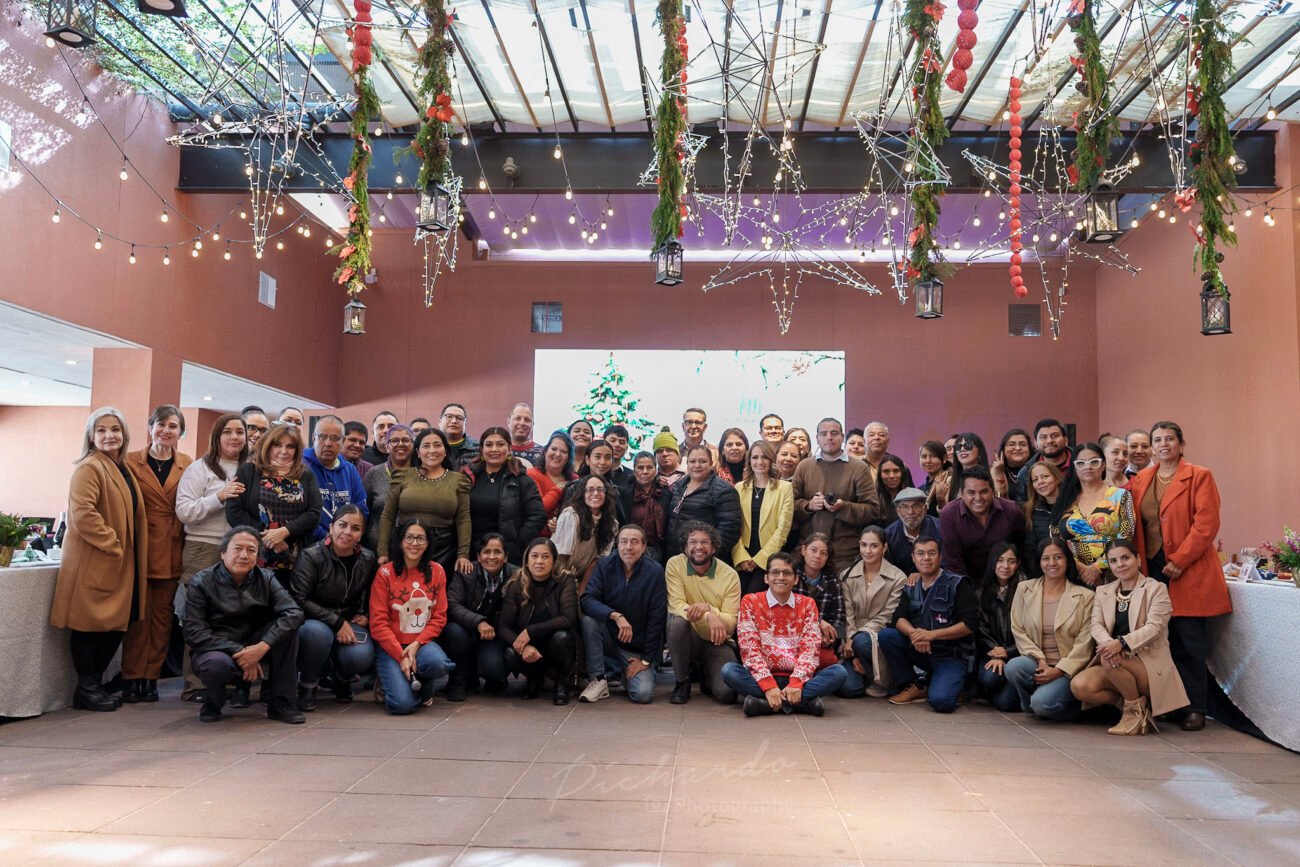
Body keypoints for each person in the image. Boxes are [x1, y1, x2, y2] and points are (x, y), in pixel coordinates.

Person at [1129, 420, 1228, 732]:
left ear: (1181, 444)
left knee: (1188, 641)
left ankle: (1196, 707)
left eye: (1169, 439)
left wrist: (1180, 560)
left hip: (1188, 569)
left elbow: (1206, 525)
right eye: (1157, 439)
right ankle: (1170, 704)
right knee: (1159, 641)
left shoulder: (1199, 476)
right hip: (1153, 569)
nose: (1163, 444)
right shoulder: (1141, 479)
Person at [50, 407, 149, 712]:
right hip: (97, 559)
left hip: (121, 562)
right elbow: (83, 515)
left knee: (116, 625)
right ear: (91, 436)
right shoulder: (89, 467)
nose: (110, 435)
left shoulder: (122, 467)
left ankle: (94, 685)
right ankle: (87, 688)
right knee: (88, 626)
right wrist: (114, 543)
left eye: (115, 429)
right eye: (102, 430)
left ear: (124, 435)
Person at [184, 526, 305, 724]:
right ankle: (214, 701)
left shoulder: (265, 578)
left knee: (289, 631)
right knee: (215, 665)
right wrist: (242, 651)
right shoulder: (201, 582)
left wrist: (262, 647)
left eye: (251, 550)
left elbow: (294, 613)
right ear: (223, 553)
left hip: (256, 642)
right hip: (217, 648)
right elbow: (194, 633)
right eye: (237, 548)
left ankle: (282, 704)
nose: (243, 555)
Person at [1071, 538, 1189, 735]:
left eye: (1125, 558)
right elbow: (1096, 625)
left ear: (1138, 559)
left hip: (1148, 665)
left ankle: (1132, 718)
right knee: (1080, 686)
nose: (1120, 565)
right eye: (1114, 561)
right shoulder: (1103, 591)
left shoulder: (1156, 588)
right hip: (1116, 659)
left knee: (1108, 660)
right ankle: (1136, 707)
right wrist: (1110, 644)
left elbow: (1155, 627)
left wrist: (1122, 643)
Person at [121, 405, 193, 703]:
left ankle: (151, 678)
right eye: (161, 424)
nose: (166, 430)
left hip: (172, 547)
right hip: (138, 548)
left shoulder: (188, 464)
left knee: (163, 619)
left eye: (173, 426)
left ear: (180, 433)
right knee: (137, 618)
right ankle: (131, 676)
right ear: (150, 427)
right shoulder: (129, 461)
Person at [175, 413, 248, 701]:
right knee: (198, 617)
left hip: (239, 551)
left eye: (239, 432)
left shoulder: (250, 468)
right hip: (203, 548)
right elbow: (185, 512)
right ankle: (196, 684)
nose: (234, 437)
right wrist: (220, 497)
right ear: (216, 437)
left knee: (234, 616)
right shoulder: (199, 469)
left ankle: (228, 680)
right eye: (228, 432)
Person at [722, 553, 848, 717]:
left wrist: (796, 683)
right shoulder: (750, 602)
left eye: (787, 573)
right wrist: (768, 685)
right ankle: (801, 704)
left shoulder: (807, 604)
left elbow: (810, 650)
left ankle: (764, 704)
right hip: (761, 676)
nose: (781, 577)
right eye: (775, 572)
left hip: (798, 678)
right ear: (766, 578)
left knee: (839, 672)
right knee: (729, 670)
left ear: (795, 579)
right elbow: (749, 649)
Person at [290, 506, 378, 710]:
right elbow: (299, 598)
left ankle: (342, 678)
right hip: (315, 620)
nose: (348, 532)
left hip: (349, 620)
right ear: (331, 527)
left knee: (361, 656)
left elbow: (373, 593)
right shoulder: (311, 556)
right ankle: (308, 685)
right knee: (315, 634)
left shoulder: (368, 558)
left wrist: (366, 615)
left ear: (361, 534)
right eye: (342, 525)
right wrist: (336, 622)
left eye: (355, 528)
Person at [878, 536, 977, 713]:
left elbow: (969, 625)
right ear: (913, 557)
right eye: (920, 553)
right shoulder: (911, 585)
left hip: (950, 655)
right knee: (887, 635)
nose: (926, 558)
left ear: (940, 557)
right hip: (921, 650)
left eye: (931, 553)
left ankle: (953, 685)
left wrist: (932, 635)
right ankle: (915, 685)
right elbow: (898, 619)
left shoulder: (958, 584)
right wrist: (915, 634)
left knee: (942, 702)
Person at [368, 518, 455, 713]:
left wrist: (417, 645)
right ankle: (391, 682)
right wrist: (401, 656)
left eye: (420, 539)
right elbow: (378, 623)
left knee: (438, 663)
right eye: (409, 538)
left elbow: (439, 617)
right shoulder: (385, 573)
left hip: (421, 644)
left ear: (428, 544)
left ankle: (421, 685)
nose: (414, 543)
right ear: (400, 541)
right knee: (401, 705)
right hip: (391, 646)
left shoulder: (437, 571)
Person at [1005, 538, 1095, 721]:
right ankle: (1032, 704)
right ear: (1039, 562)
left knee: (1042, 704)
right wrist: (1041, 662)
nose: (1052, 563)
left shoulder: (1086, 597)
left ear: (1068, 561)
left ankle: (1069, 707)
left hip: (1068, 668)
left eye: (1058, 557)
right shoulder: (1024, 589)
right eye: (1046, 558)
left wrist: (1059, 670)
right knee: (1014, 666)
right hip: (1038, 663)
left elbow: (1084, 643)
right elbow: (1018, 629)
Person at [579, 525, 667, 704]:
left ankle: (625, 672)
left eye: (635, 542)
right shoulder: (604, 566)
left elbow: (657, 619)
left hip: (636, 649)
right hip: (610, 637)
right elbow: (587, 600)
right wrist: (615, 616)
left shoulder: (655, 572)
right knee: (590, 621)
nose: (628, 547)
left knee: (642, 694)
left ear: (643, 547)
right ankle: (598, 679)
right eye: (624, 542)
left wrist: (645, 661)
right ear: (617, 545)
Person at [226, 423, 322, 586]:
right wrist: (269, 537)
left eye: (290, 446)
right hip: (254, 552)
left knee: (291, 606)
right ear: (268, 445)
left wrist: (285, 532)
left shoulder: (306, 475)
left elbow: (314, 513)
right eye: (277, 445)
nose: (283, 451)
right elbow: (234, 512)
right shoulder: (248, 471)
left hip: (295, 555)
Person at [791, 418, 882, 575]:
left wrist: (843, 507)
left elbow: (872, 510)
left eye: (834, 433)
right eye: (823, 434)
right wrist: (808, 505)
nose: (829, 438)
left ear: (842, 436)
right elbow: (788, 507)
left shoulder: (859, 468)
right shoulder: (804, 466)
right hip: (808, 552)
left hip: (845, 555)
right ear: (817, 438)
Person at [377, 428, 472, 578]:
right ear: (418, 452)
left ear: (446, 451)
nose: (432, 450)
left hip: (443, 549)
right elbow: (388, 515)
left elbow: (463, 519)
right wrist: (382, 552)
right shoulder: (402, 475)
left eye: (437, 445)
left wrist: (463, 554)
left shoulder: (459, 480)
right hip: (405, 545)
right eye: (426, 446)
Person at [666, 522, 741, 704]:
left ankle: (706, 671)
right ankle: (682, 682)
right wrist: (708, 615)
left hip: (717, 640)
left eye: (705, 542)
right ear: (685, 547)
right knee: (676, 623)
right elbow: (676, 605)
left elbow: (731, 622)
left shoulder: (729, 575)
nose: (698, 547)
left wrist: (710, 609)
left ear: (713, 547)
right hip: (688, 637)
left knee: (727, 694)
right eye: (693, 542)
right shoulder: (675, 565)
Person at [498, 537, 579, 705]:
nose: (539, 561)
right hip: (531, 648)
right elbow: (504, 627)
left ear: (554, 560)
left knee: (562, 637)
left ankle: (562, 682)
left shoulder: (565, 581)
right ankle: (534, 678)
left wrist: (530, 631)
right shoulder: (516, 585)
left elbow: (568, 618)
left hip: (556, 646)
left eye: (545, 557)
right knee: (510, 653)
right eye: (534, 556)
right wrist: (523, 647)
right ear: (527, 560)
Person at [837, 526, 907, 699]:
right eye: (864, 545)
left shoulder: (898, 578)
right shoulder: (847, 575)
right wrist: (851, 641)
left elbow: (888, 615)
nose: (868, 551)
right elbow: (848, 613)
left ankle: (885, 679)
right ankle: (867, 673)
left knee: (863, 641)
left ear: (884, 548)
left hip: (879, 637)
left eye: (874, 546)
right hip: (852, 641)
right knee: (849, 689)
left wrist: (856, 639)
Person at [442, 533, 513, 700]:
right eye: (486, 552)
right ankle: (458, 681)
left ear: (505, 557)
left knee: (493, 668)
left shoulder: (516, 575)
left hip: (495, 636)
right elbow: (452, 605)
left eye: (497, 552)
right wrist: (478, 622)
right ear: (479, 556)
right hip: (467, 631)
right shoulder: (465, 572)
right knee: (453, 631)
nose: (492, 557)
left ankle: (495, 678)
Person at [1053, 442, 1135, 587]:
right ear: (1074, 468)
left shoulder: (1120, 495)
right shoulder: (1066, 498)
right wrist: (1081, 568)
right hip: (1073, 574)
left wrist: (1098, 567)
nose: (1088, 467)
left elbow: (1126, 536)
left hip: (1113, 573)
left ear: (1103, 465)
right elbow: (1055, 535)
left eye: (1094, 462)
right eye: (1081, 463)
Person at [465, 427, 546, 564]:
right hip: (472, 554)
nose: (494, 449)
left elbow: (537, 516)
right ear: (481, 450)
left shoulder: (522, 480)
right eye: (489, 445)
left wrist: (514, 544)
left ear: (509, 449)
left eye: (500, 444)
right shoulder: (468, 477)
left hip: (508, 556)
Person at [938, 467, 1025, 590]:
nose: (978, 498)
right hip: (968, 583)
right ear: (961, 494)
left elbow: (1023, 548)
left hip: (1008, 582)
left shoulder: (1011, 511)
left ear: (993, 492)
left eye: (984, 492)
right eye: (971, 492)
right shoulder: (949, 514)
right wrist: (967, 595)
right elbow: (953, 563)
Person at [732, 440, 794, 594]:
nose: (759, 462)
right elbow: (733, 525)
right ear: (749, 461)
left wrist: (760, 560)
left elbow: (783, 530)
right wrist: (741, 557)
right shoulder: (739, 488)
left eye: (764, 457)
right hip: (743, 557)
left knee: (753, 599)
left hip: (770, 558)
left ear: (771, 460)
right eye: (755, 457)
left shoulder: (785, 488)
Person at [663, 445, 743, 561]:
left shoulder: (723, 490)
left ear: (711, 464)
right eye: (692, 461)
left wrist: (706, 556)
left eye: (703, 461)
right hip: (675, 558)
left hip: (704, 561)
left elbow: (730, 531)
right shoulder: (678, 486)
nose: (697, 465)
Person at [976, 543, 1025, 711]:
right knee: (990, 678)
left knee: (1005, 704)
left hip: (1018, 654)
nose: (1005, 566)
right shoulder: (982, 591)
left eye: (1011, 561)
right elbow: (979, 628)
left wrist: (1008, 652)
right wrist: (996, 652)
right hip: (992, 652)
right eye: (1000, 560)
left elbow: (1030, 630)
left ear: (1017, 564)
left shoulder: (1026, 589)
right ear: (992, 563)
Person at [303, 415, 369, 541]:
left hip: (344, 542)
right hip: (310, 543)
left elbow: (361, 509)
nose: (328, 443)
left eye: (335, 438)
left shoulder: (349, 470)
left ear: (343, 441)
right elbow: (299, 511)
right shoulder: (301, 466)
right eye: (322, 437)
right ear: (314, 438)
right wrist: (326, 536)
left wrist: (346, 535)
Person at [554, 475, 619, 588]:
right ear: (582, 494)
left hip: (581, 577)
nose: (595, 493)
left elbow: (596, 562)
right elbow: (561, 558)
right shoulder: (571, 516)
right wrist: (567, 589)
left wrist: (581, 592)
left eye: (600, 489)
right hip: (557, 574)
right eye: (590, 489)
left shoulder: (612, 524)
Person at [792, 534, 845, 665]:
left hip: (821, 643)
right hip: (791, 637)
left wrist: (828, 638)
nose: (817, 556)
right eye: (813, 550)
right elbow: (785, 612)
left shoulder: (832, 582)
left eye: (823, 553)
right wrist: (817, 621)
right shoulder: (790, 576)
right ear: (804, 550)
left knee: (835, 669)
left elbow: (839, 620)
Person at [362, 425, 414, 551]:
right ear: (386, 446)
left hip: (414, 547)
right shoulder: (374, 474)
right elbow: (364, 513)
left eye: (406, 440)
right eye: (394, 441)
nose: (400, 444)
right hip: (377, 548)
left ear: (414, 445)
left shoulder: (422, 474)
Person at [1013, 418, 1074, 502]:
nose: (1049, 441)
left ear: (1066, 440)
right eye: (1043, 437)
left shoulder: (1081, 463)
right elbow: (1022, 505)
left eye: (1055, 436)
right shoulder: (1026, 472)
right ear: (1036, 444)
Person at [884, 487, 941, 572]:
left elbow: (948, 562)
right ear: (898, 511)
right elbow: (889, 569)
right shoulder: (889, 534)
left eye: (916, 506)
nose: (910, 512)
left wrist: (923, 575)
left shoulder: (940, 528)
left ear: (925, 509)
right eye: (905, 507)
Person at [528, 432, 577, 530]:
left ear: (568, 458)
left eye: (563, 452)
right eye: (553, 449)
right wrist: (559, 488)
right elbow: (540, 508)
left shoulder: (574, 479)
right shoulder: (532, 474)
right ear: (545, 451)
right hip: (537, 538)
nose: (557, 454)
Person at [1022, 461, 1064, 576]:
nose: (1040, 482)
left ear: (1057, 478)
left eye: (1045, 476)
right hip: (1046, 573)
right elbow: (1030, 550)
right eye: (1035, 480)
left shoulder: (1074, 505)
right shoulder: (1031, 511)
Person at [626, 451, 668, 561]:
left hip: (657, 550)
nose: (645, 472)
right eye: (640, 468)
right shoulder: (624, 493)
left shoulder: (665, 493)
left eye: (649, 467)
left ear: (656, 470)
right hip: (629, 547)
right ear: (634, 471)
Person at [990, 428, 1033, 500]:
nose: (1017, 448)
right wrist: (999, 473)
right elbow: (999, 501)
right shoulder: (993, 471)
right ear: (1003, 449)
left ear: (1029, 448)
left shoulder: (1038, 468)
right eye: (1011, 444)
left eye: (1022, 444)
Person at [874, 454, 915, 524]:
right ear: (880, 474)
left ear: (903, 473)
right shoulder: (872, 499)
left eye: (896, 471)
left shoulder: (915, 498)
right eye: (886, 471)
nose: (891, 476)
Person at [948, 433, 991, 500]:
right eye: (958, 447)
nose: (962, 449)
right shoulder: (950, 481)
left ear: (979, 451)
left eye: (968, 445)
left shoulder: (992, 475)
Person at [440, 404, 478, 470]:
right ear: (440, 422)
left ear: (465, 424)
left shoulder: (478, 448)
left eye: (460, 418)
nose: (454, 421)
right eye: (449, 416)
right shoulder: (430, 447)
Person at [919, 439, 952, 514]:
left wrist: (941, 500)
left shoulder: (949, 482)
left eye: (933, 456)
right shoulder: (920, 490)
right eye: (924, 456)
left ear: (944, 458)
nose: (928, 461)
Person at [507, 403, 544, 467]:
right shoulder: (499, 451)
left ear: (533, 425)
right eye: (518, 418)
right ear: (508, 422)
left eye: (527, 420)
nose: (522, 423)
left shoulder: (543, 453)